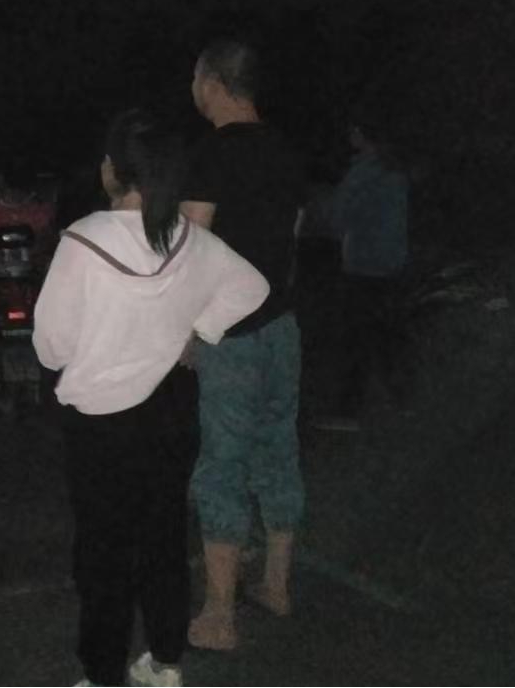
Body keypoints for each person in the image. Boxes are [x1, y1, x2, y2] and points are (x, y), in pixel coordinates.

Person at [34, 109, 268, 688]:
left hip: (102, 422)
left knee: (104, 551)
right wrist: (198, 330)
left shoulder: (84, 240)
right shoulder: (190, 238)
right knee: (164, 536)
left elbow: (51, 345)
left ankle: (103, 674)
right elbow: (253, 286)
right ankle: (165, 661)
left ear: (112, 171)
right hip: (171, 409)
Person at [181, 39, 308, 651]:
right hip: (281, 325)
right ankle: (276, 584)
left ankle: (219, 614)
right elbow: (294, 235)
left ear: (213, 83)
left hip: (230, 334)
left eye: (195, 78)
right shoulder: (286, 150)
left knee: (222, 466)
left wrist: (186, 333)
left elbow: (193, 248)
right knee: (278, 450)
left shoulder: (211, 152)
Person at [314, 115, 411, 431]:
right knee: (387, 337)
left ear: (360, 134)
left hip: (364, 267)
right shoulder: (395, 168)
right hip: (392, 264)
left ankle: (347, 412)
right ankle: (402, 402)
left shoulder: (363, 172)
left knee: (354, 339)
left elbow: (337, 219)